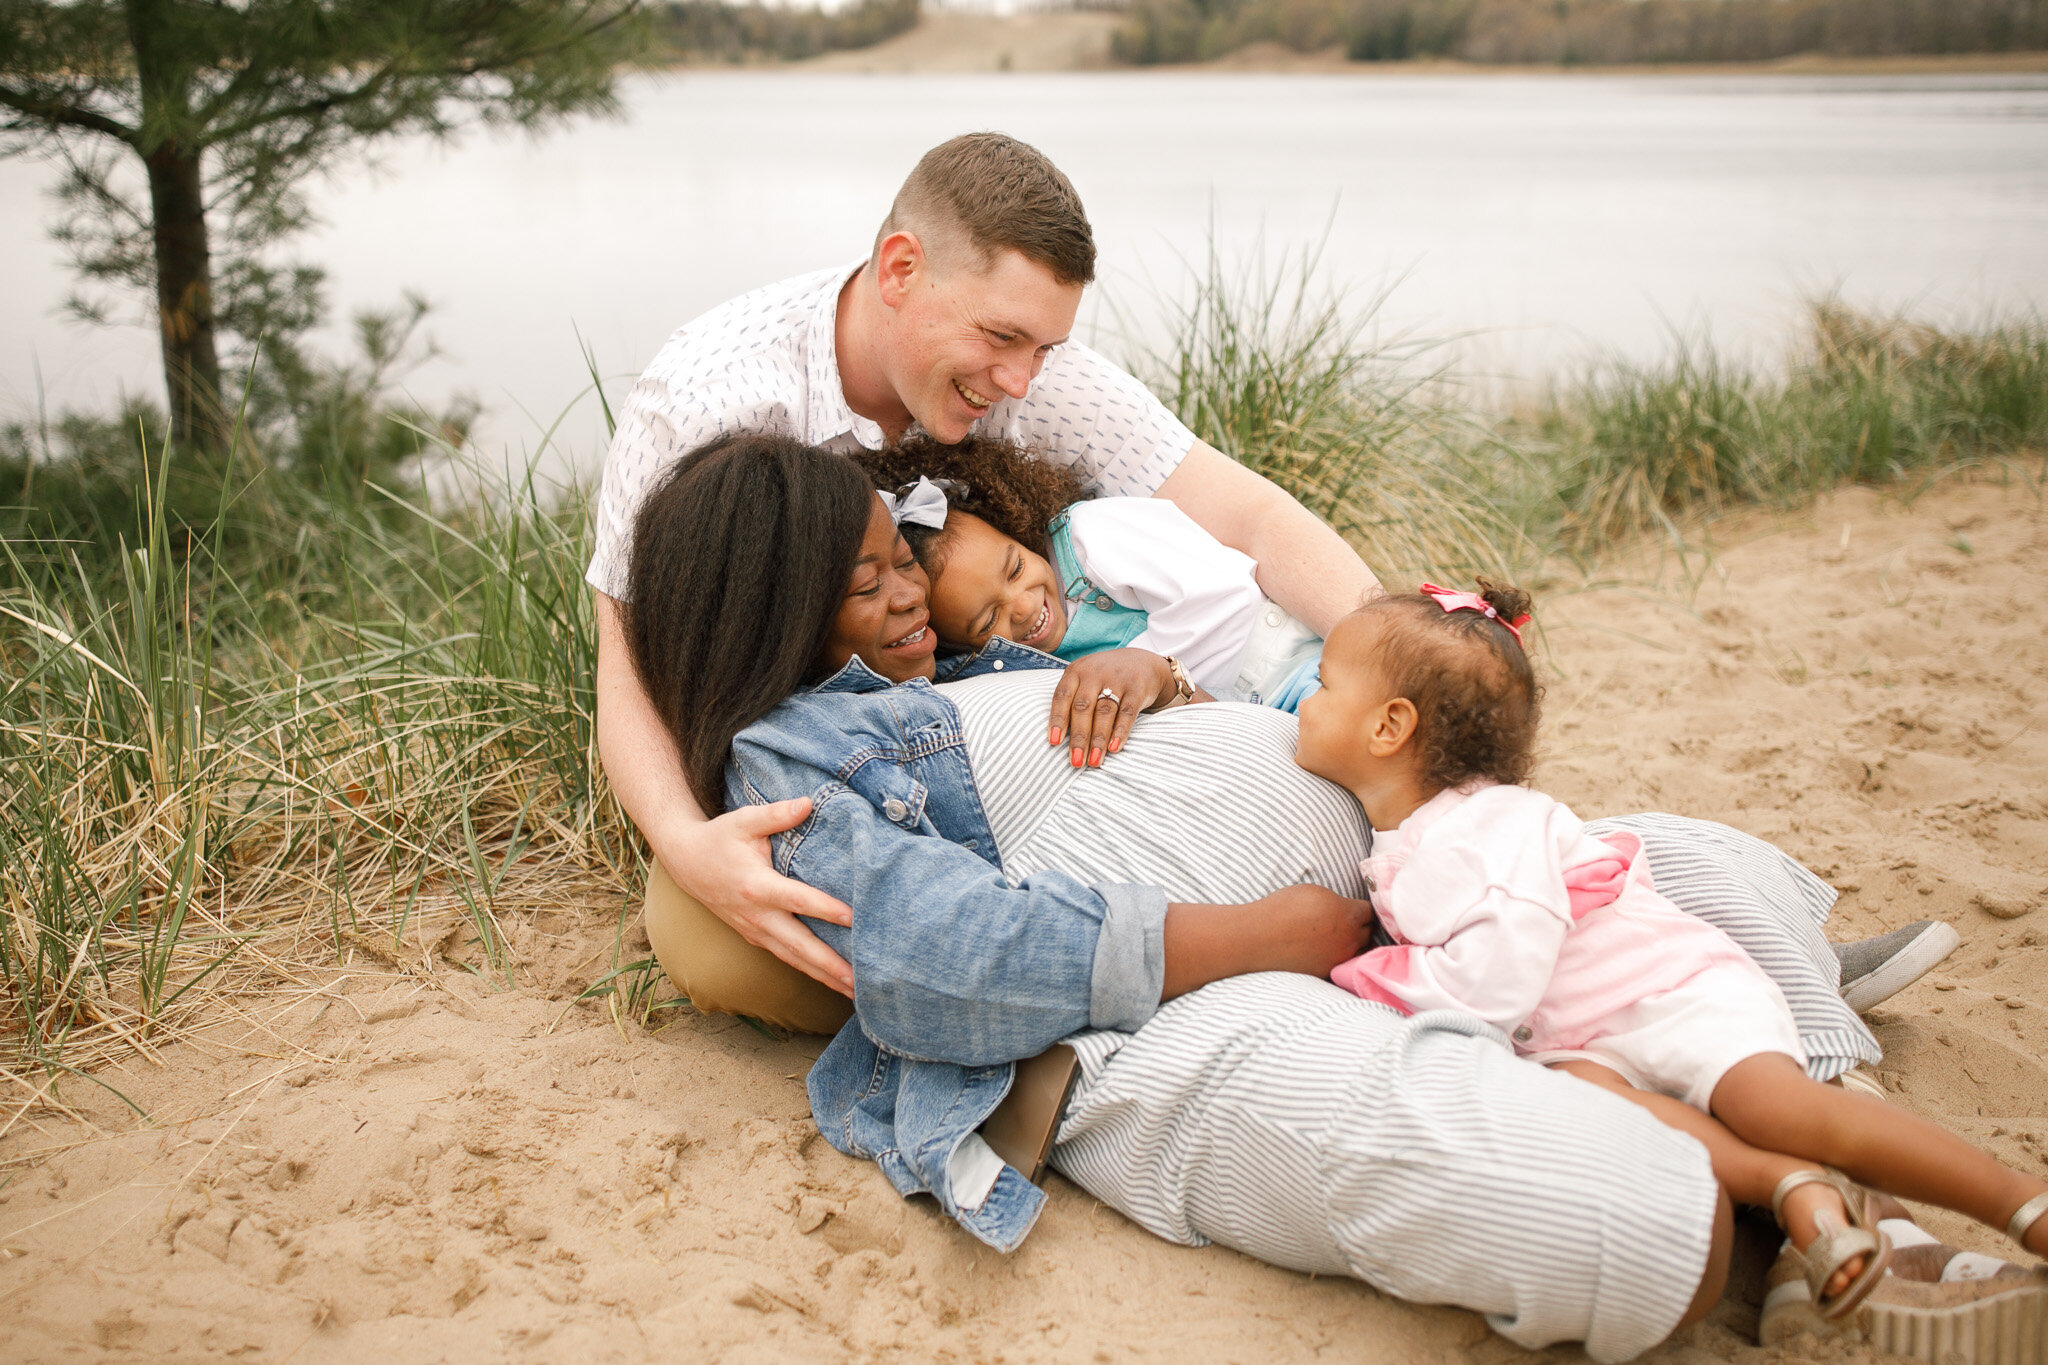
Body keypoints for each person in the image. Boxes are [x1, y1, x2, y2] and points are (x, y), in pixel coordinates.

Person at [618, 433, 2039, 1361]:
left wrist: (1150, 674)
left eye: (902, 560)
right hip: (1174, 1013)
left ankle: (1838, 1198)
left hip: (1383, 891)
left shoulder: (975, 664)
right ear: (767, 611)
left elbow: (1145, 711)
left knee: (1680, 864)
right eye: (869, 582)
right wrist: (1254, 933)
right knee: (1528, 1175)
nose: (913, 592)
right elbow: (936, 953)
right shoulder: (791, 757)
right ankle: (1778, 1255)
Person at [589, 131, 1955, 1015]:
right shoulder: (710, 395)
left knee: (1371, 787)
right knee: (714, 940)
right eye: (1002, 339)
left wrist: (1392, 668)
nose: (1019, 383)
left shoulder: (1012, 367)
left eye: (1044, 352)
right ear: (900, 271)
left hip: (1009, 724)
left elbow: (1242, 511)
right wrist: (684, 843)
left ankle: (1714, 957)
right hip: (826, 797)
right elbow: (625, 660)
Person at [1296, 581, 2048, 1342]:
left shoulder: (1488, 827)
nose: (1304, 700)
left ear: (1391, 725)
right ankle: (1791, 1187)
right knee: (1595, 1097)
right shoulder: (1419, 832)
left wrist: (1361, 972)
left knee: (1782, 1108)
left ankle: (2018, 1201)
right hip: (1584, 1037)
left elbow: (1496, 979)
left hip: (1670, 993)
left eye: (1322, 684)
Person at [855, 434, 1323, 739]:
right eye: (986, 620)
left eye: (1016, 568)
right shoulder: (1013, 669)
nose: (1021, 606)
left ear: (1013, 530)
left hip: (1288, 671)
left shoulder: (1089, 539)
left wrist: (1140, 674)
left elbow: (1225, 596)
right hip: (1256, 721)